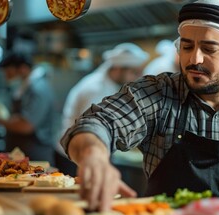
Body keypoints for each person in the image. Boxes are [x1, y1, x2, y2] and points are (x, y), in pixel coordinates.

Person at [60, 0, 219, 212]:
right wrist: (94, 155)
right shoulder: (157, 93)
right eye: (187, 47)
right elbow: (98, 123)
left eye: (209, 49)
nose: (194, 59)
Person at [55, 42, 149, 176]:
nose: (136, 77)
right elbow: (90, 129)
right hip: (76, 154)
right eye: (134, 72)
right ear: (117, 69)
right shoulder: (95, 89)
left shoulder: (113, 85)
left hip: (93, 150)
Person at [0, 52, 56, 166]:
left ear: (23, 69)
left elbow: (26, 126)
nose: (7, 78)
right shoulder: (25, 87)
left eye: (9, 73)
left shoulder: (38, 89)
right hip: (23, 151)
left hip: (36, 152)